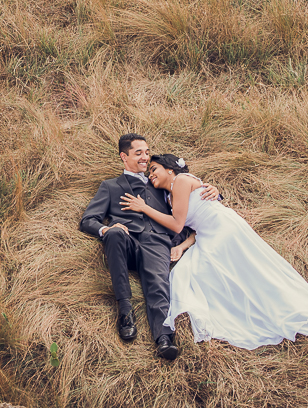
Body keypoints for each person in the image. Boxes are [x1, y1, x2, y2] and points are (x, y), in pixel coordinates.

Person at [119, 153, 308, 350]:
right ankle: (246, 311)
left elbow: (177, 225)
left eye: (154, 169)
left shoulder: (182, 181)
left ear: (170, 169)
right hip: (206, 235)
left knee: (248, 272)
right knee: (189, 273)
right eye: (149, 172)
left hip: (224, 228)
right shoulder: (168, 197)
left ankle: (282, 308)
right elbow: (192, 228)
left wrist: (144, 207)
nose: (151, 175)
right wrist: (182, 246)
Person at [79, 134, 220, 360]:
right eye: (139, 153)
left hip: (157, 242)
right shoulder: (110, 186)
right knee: (114, 234)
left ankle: (164, 336)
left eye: (146, 152)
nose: (145, 158)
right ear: (124, 157)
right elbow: (88, 220)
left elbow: (189, 200)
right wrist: (106, 229)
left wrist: (214, 191)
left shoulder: (160, 184)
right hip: (126, 241)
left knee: (157, 282)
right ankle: (125, 311)